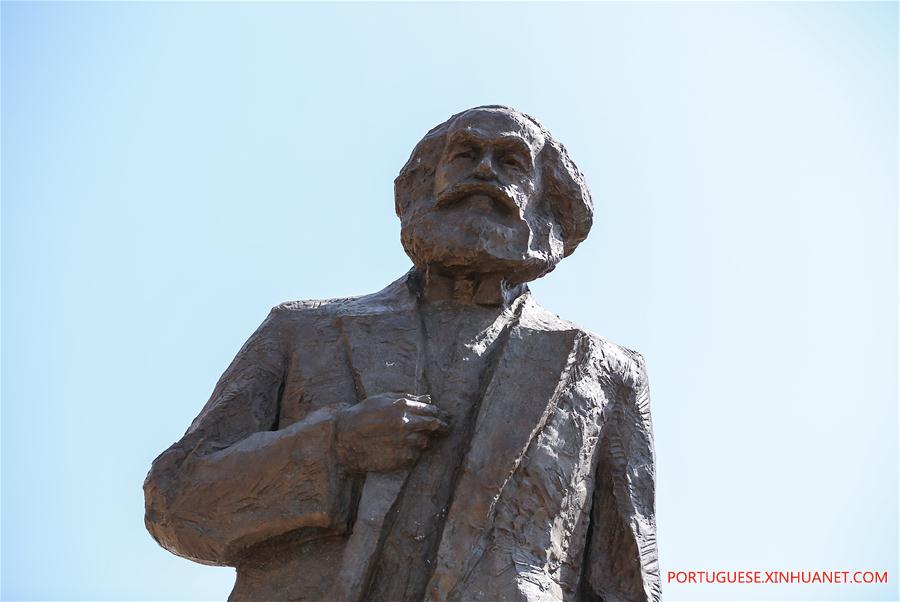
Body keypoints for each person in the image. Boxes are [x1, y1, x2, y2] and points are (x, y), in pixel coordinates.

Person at [144, 105, 660, 602]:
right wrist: (334, 446)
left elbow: (627, 583)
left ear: (548, 204)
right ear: (422, 185)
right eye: (465, 154)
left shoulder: (605, 372)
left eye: (511, 161)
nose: (484, 171)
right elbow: (175, 502)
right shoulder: (300, 331)